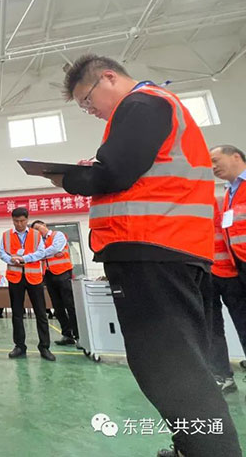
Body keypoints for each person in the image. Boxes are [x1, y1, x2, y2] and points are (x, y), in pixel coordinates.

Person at [49, 54, 241, 457]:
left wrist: (69, 177)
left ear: (108, 77)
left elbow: (115, 172)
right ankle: (193, 444)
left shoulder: (142, 103)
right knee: (175, 361)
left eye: (87, 100)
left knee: (169, 364)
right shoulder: (153, 107)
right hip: (165, 249)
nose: (90, 110)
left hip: (154, 250)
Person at [0, 207, 55, 361]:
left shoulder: (36, 235)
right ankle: (19, 346)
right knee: (17, 313)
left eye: (22, 221)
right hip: (15, 278)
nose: (19, 224)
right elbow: (2, 253)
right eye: (16, 221)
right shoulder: (6, 235)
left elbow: (41, 252)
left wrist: (25, 259)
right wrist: (11, 260)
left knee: (41, 313)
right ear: (12, 220)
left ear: (27, 220)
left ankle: (44, 347)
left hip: (34, 277)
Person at [211, 144, 246, 373]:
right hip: (238, 266)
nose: (213, 167)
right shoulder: (229, 192)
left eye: (216, 160)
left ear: (235, 156)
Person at [207, 197, 243, 395]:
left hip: (232, 274)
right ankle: (222, 376)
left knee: (242, 324)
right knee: (212, 328)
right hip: (207, 274)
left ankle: (223, 376)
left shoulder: (224, 202)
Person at [31, 221, 79, 345]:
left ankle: (79, 336)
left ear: (44, 225)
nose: (38, 231)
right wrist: (48, 254)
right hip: (48, 275)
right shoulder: (38, 242)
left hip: (63, 273)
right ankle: (67, 335)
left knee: (70, 305)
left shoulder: (58, 235)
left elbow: (55, 248)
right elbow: (42, 254)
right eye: (35, 231)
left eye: (38, 228)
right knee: (57, 307)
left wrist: (41, 254)